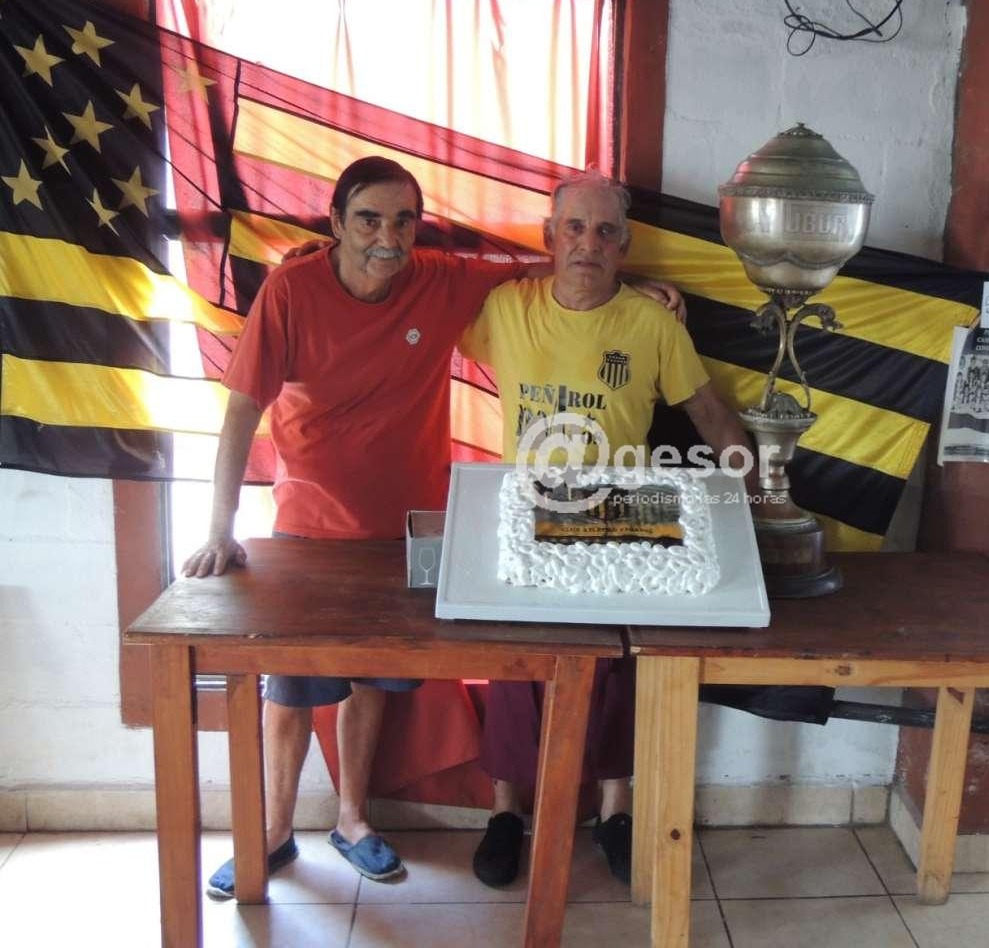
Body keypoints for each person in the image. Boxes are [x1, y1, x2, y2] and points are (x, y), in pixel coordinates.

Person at [187, 157, 681, 899]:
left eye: (403, 221)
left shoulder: (438, 280)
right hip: (310, 530)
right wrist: (218, 527)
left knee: (372, 679)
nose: (387, 238)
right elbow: (240, 411)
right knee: (290, 684)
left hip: (410, 527)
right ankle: (271, 832)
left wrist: (627, 285)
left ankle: (353, 820)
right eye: (368, 220)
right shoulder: (292, 290)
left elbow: (548, 264)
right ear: (336, 223)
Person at [458, 170, 754, 889]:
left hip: (622, 511)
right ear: (549, 237)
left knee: (621, 664)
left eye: (604, 232)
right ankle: (506, 812)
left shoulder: (653, 324)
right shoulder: (505, 308)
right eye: (574, 229)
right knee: (516, 661)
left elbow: (708, 413)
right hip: (528, 510)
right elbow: (430, 294)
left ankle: (616, 812)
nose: (587, 244)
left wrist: (759, 494)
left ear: (625, 244)